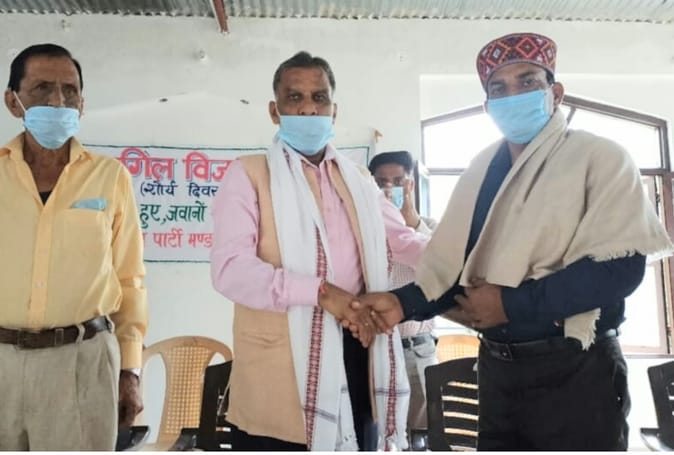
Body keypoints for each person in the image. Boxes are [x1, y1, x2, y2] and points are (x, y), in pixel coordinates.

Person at [350, 32, 673, 450]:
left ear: (555, 92)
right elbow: (456, 266)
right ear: (488, 107)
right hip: (498, 371)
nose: (513, 95)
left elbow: (620, 269)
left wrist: (510, 305)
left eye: (528, 82)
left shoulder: (600, 158)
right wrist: (401, 304)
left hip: (576, 369)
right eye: (499, 89)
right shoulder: (481, 171)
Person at [210, 51, 429, 451]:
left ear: (334, 109)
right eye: (294, 98)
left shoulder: (358, 179)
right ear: (274, 111)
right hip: (280, 366)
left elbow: (403, 242)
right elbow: (231, 270)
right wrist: (322, 294)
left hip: (357, 346)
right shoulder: (249, 175)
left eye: (319, 98)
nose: (309, 109)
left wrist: (467, 260)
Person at [0, 44, 147, 450]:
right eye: (42, 88)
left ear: (82, 104)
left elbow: (130, 278)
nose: (57, 101)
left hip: (82, 363)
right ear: (12, 101)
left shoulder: (110, 177)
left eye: (70, 91)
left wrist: (130, 371)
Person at [368, 150, 438, 434]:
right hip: (376, 344)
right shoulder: (367, 231)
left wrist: (412, 224)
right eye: (381, 182)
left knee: (423, 432)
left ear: (410, 184)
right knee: (382, 431)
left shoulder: (431, 228)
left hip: (417, 348)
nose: (389, 188)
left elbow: (443, 268)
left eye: (397, 181)